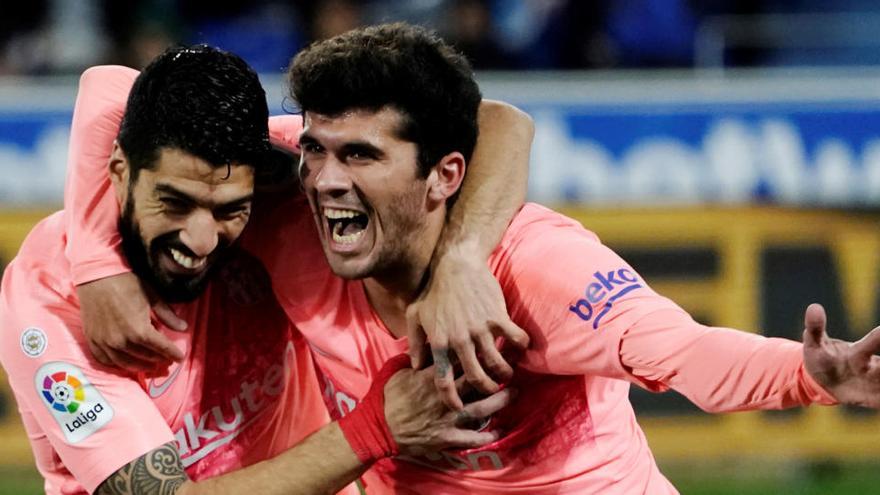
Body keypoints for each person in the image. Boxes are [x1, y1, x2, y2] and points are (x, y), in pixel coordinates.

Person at [77, 24, 880, 494]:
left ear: (444, 176)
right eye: (316, 148)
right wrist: (93, 259)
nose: (323, 178)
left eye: (358, 154)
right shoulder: (288, 208)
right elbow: (115, 88)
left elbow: (680, 350)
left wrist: (815, 373)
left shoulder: (536, 269)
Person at [0, 44, 522, 495]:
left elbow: (505, 124)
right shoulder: (50, 301)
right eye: (173, 203)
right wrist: (375, 428)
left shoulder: (281, 171)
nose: (201, 241)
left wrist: (462, 260)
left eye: (231, 210)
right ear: (117, 170)